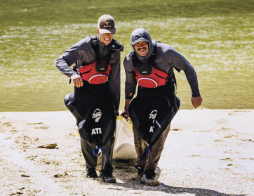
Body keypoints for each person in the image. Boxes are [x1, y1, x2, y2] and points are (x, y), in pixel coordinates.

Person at [122, 28, 202, 186]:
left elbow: (188, 68)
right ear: (133, 46)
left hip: (165, 96)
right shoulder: (130, 60)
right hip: (144, 95)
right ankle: (141, 162)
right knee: (138, 129)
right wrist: (127, 106)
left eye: (144, 43)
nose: (141, 46)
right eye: (137, 44)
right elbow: (130, 83)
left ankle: (150, 171)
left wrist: (195, 93)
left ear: (149, 42)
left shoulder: (166, 53)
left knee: (160, 132)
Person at [56, 14, 124, 183]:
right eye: (104, 32)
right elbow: (60, 61)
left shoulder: (115, 51)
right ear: (97, 31)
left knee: (108, 130)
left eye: (110, 32)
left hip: (103, 93)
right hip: (83, 93)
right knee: (86, 130)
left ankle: (107, 170)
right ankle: (90, 167)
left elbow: (115, 80)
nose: (107, 35)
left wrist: (116, 106)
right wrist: (72, 74)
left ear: (114, 31)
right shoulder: (84, 45)